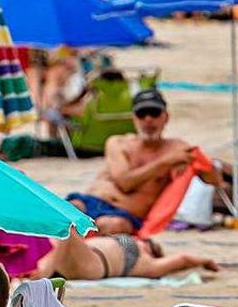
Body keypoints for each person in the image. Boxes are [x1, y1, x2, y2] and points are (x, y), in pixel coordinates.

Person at [65, 89, 220, 235]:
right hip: (91, 200)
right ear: (134, 118)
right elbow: (124, 182)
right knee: (65, 212)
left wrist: (196, 165)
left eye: (154, 113)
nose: (148, 119)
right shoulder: (118, 143)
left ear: (166, 117)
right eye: (142, 114)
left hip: (125, 215)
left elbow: (214, 180)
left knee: (110, 225)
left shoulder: (178, 149)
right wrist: (166, 163)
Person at [33, 226, 220, 280]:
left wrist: (206, 260)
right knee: (53, 233)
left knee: (65, 229)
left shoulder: (145, 263)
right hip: (84, 258)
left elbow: (183, 259)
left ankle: (38, 274)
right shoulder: (144, 263)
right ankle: (30, 268)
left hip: (93, 264)